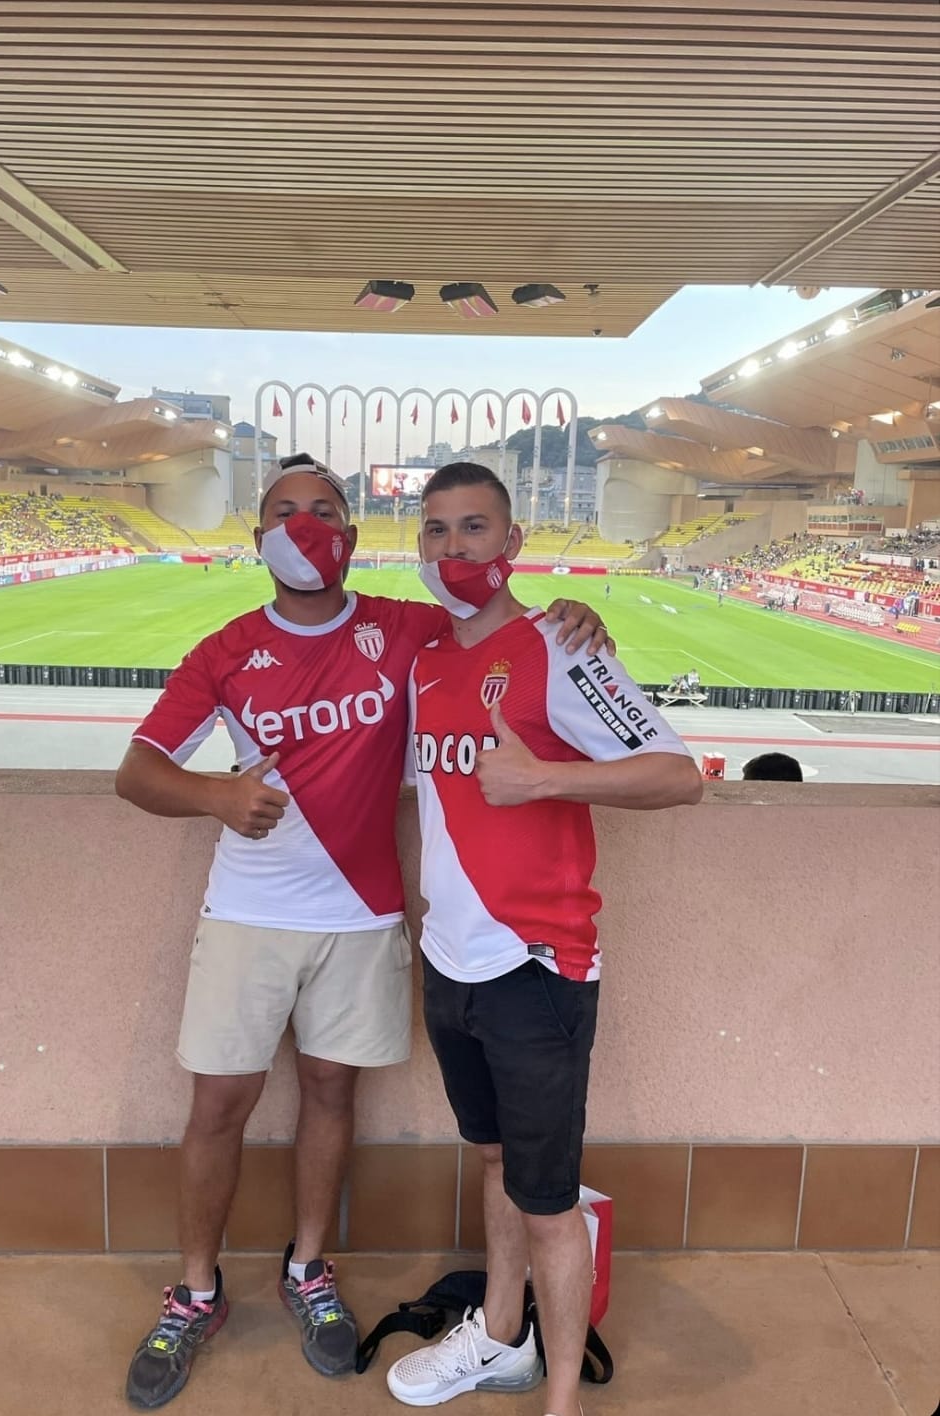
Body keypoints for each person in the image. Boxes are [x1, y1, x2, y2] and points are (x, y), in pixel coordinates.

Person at [113, 453, 610, 1411]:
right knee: (218, 1103)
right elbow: (137, 771)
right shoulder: (226, 649)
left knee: (332, 1094)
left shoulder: (405, 627)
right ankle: (196, 1290)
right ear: (257, 535)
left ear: (351, 532)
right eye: (284, 511)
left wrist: (577, 618)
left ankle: (309, 1268)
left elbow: (501, 626)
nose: (305, 527)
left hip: (363, 915)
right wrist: (215, 796)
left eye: (324, 510)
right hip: (248, 911)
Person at [389, 462, 701, 1416]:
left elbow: (678, 775)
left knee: (550, 1202)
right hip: (451, 963)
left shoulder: (562, 646)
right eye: (437, 529)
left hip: (536, 966)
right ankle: (499, 1338)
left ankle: (562, 1398)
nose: (454, 547)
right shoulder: (425, 661)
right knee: (494, 1161)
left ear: (513, 541)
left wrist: (547, 780)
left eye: (474, 527)